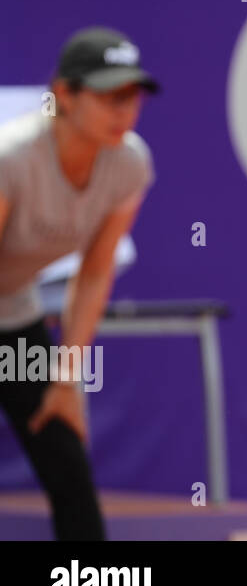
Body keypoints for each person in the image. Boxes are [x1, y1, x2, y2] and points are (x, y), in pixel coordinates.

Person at [0, 27, 157, 540]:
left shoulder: (129, 164)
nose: (124, 108)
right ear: (63, 95)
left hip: (12, 315)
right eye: (109, 94)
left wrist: (67, 378)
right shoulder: (11, 159)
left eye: (131, 95)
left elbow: (94, 273)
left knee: (66, 461)